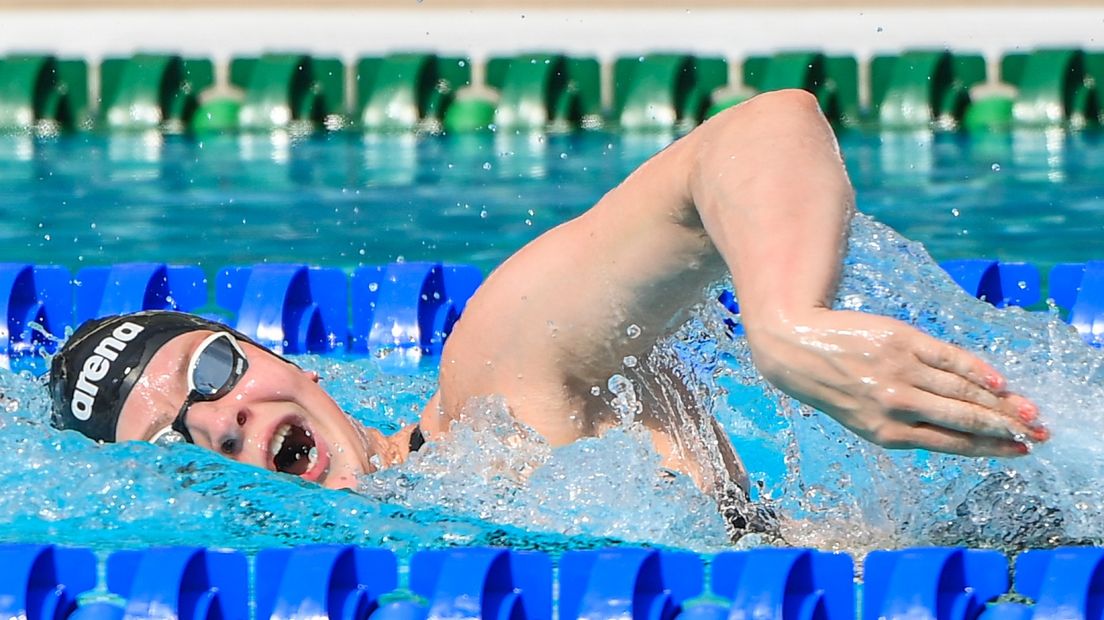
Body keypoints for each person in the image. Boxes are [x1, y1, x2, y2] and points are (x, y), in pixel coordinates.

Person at [47, 90, 1049, 529]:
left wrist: (786, 321)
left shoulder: (495, 382)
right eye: (178, 439)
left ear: (281, 357)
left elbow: (759, 131)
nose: (219, 419)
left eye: (214, 373)